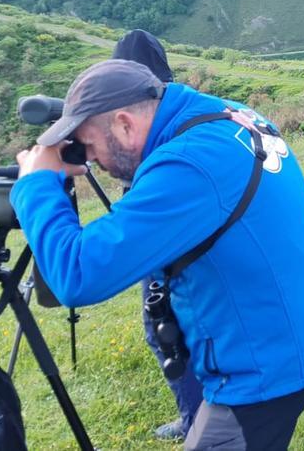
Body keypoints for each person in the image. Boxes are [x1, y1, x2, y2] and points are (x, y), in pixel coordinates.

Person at [9, 59, 304, 450]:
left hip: (263, 368)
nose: (90, 162)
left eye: (89, 146)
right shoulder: (224, 114)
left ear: (124, 123)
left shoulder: (189, 165)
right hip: (296, 336)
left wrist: (36, 185)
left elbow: (77, 273)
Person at [111, 30, 203, 442]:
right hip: (193, 240)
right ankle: (199, 414)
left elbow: (83, 276)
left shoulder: (151, 129)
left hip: (168, 247)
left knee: (162, 326)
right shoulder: (183, 111)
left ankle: (195, 419)